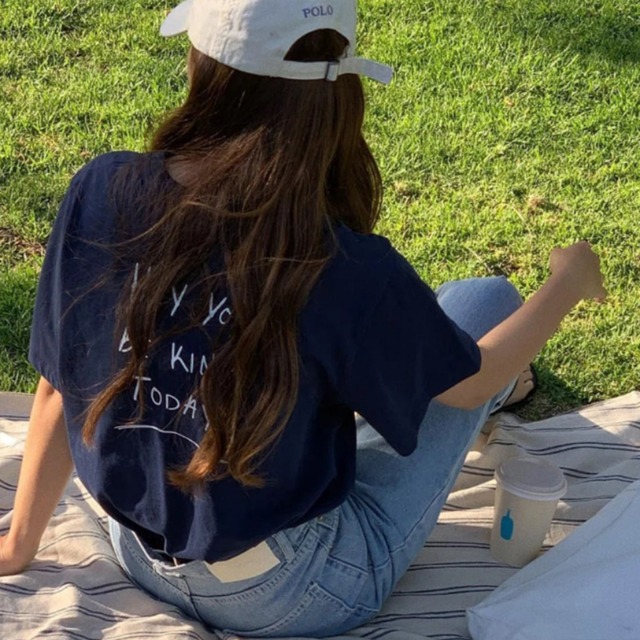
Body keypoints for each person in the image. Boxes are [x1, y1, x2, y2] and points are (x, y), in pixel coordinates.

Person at [0, 0, 606, 636]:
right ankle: (496, 388)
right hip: (289, 590)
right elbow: (471, 383)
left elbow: (59, 383)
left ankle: (451, 382)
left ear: (201, 65)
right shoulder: (344, 266)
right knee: (486, 303)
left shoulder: (101, 189)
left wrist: (18, 546)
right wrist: (565, 283)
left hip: (134, 545)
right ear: (339, 89)